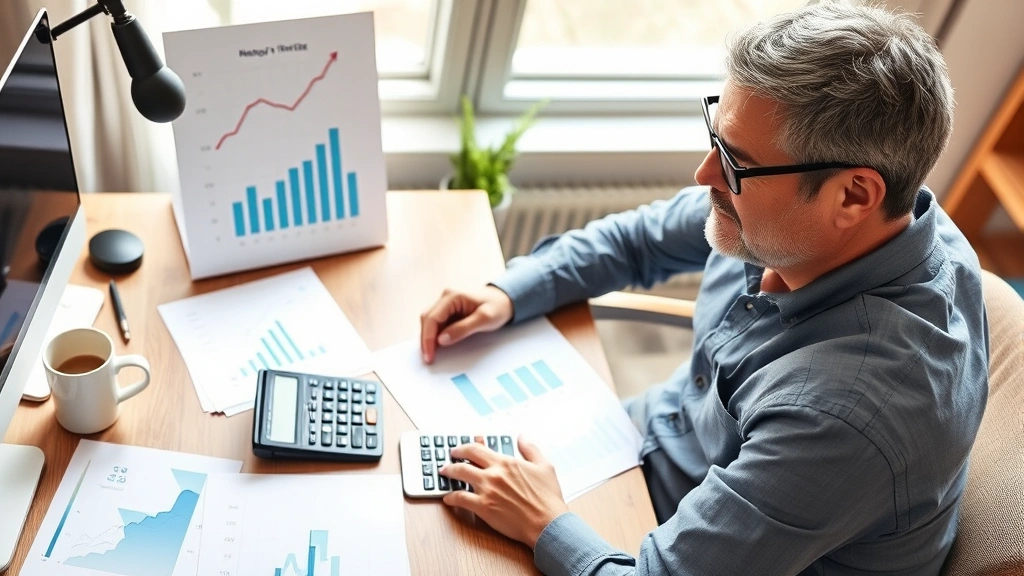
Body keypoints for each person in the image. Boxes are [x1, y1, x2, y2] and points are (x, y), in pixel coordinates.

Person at [418, 2, 988, 574]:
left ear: (852, 196)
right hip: (650, 448)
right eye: (717, 135)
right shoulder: (828, 221)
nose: (705, 174)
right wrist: (511, 292)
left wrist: (543, 522)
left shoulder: (845, 413)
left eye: (735, 163)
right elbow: (640, 240)